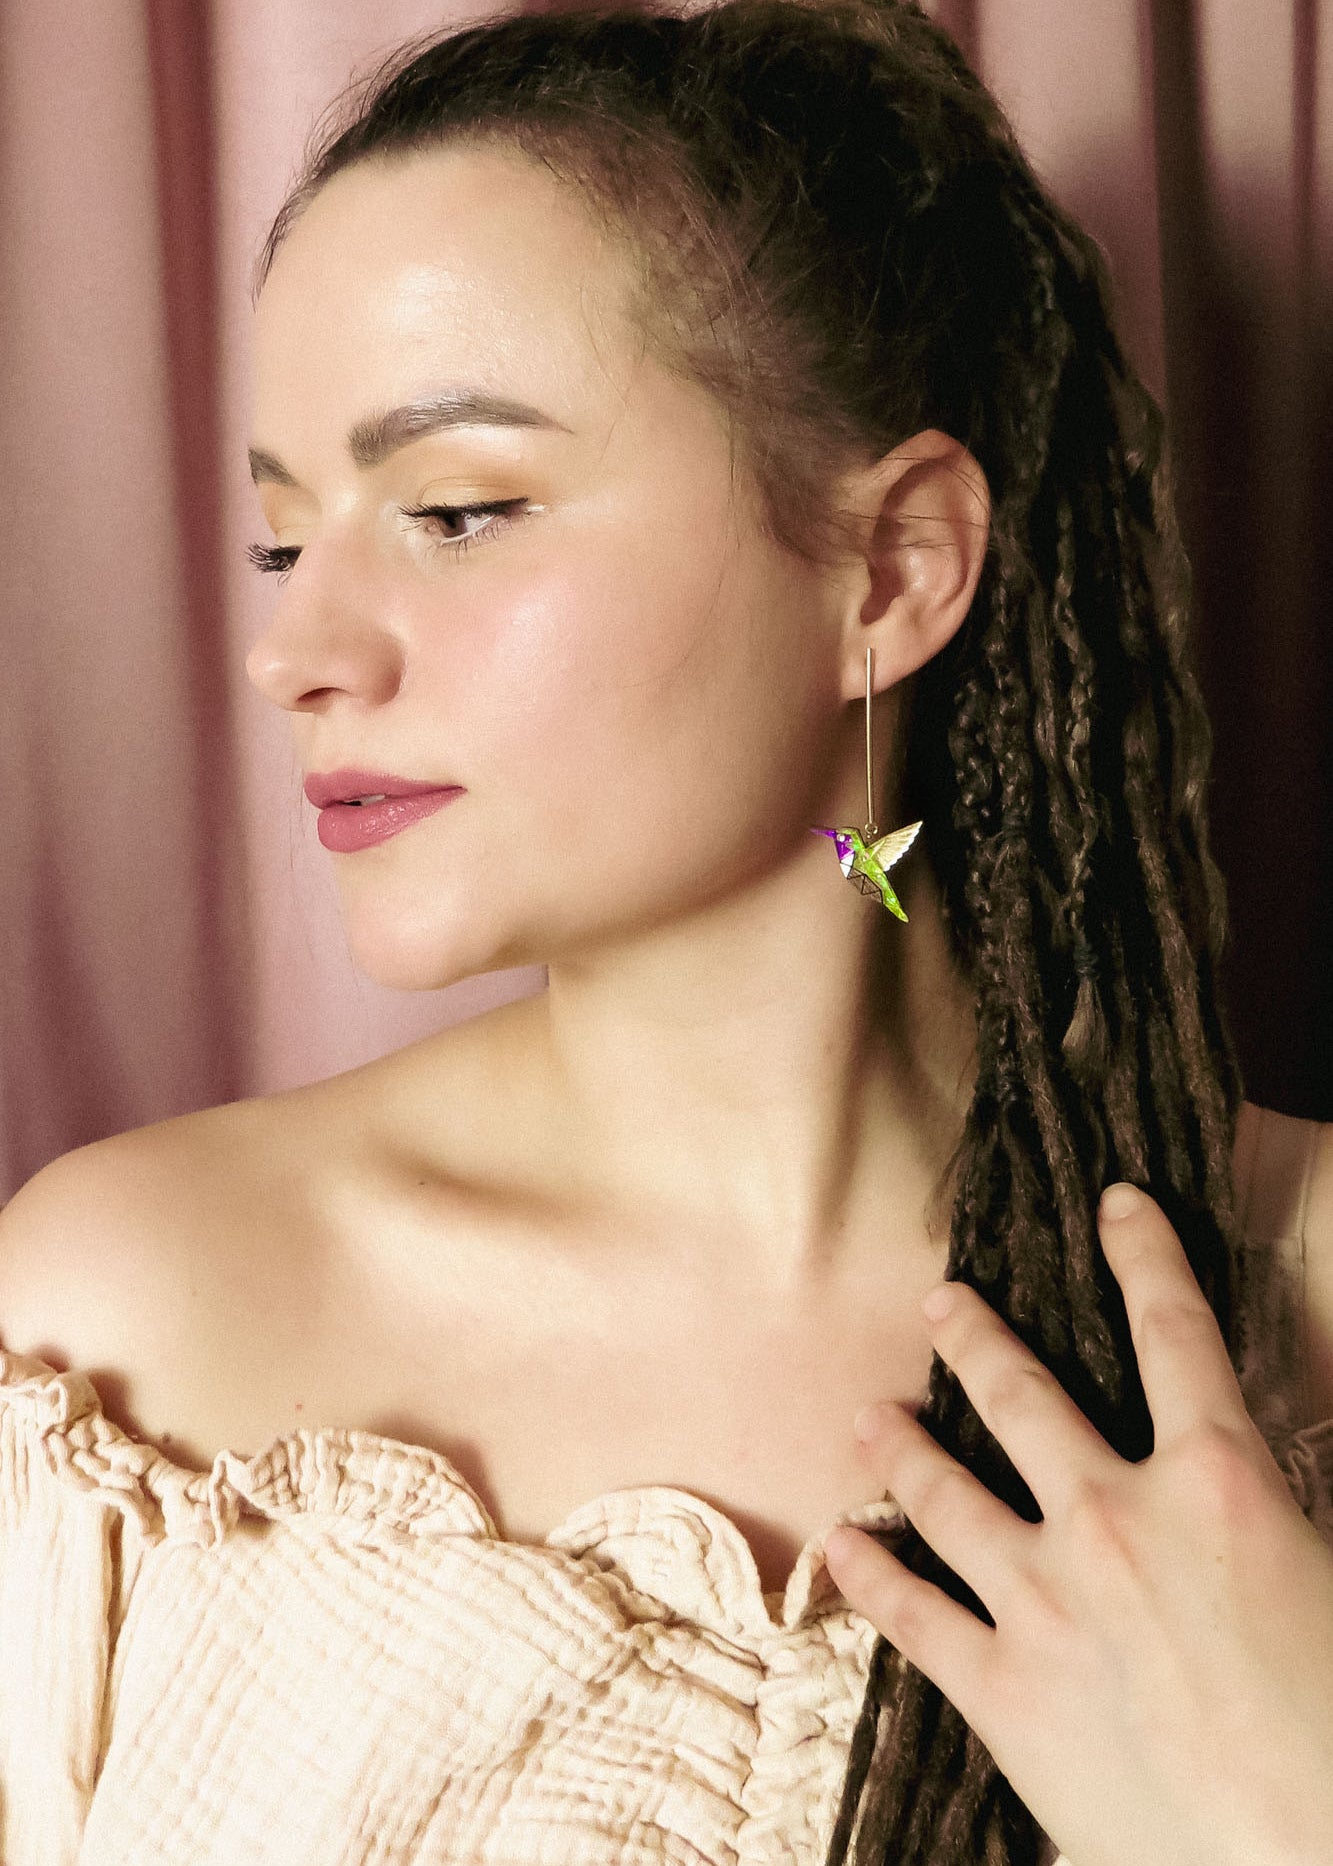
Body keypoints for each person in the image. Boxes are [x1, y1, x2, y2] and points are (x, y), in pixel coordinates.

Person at [0, 0, 1330, 1861]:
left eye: (457, 512)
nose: (297, 650)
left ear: (888, 572)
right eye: (285, 541)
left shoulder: (1307, 1299)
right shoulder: (115, 1341)